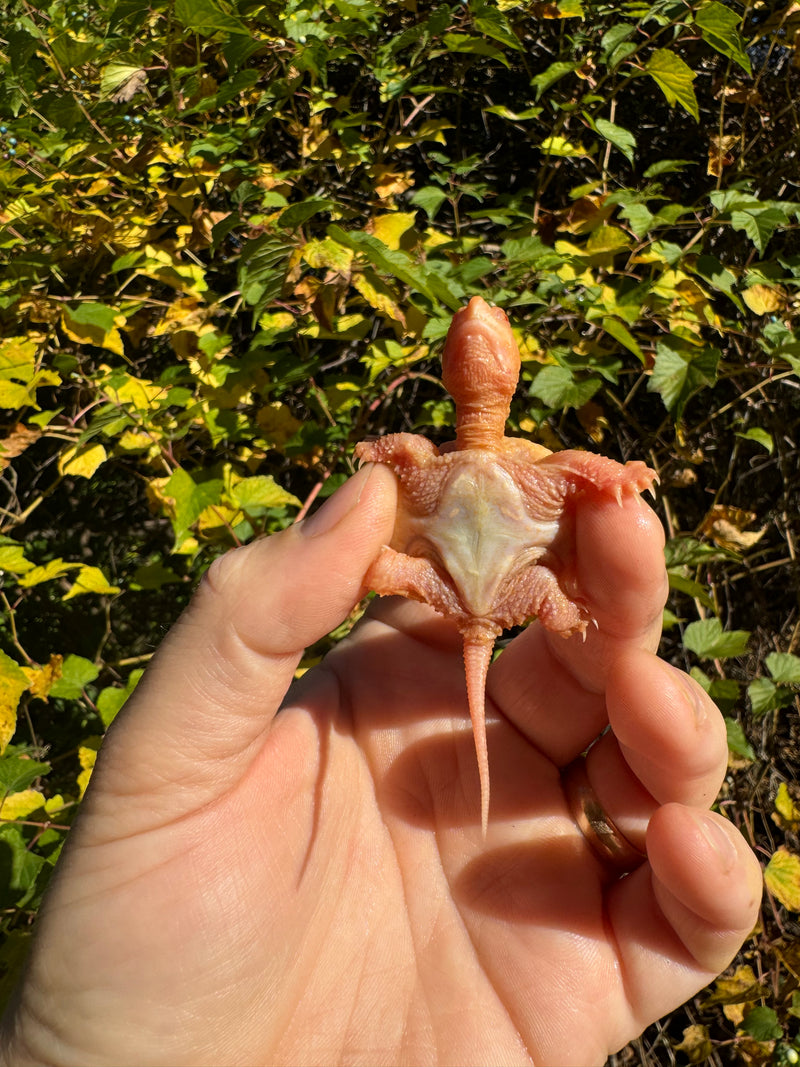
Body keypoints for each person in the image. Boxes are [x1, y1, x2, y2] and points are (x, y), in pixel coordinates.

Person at [0, 464, 761, 1067]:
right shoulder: (443, 464)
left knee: (594, 628)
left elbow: (574, 475)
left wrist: (607, 486)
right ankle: (535, 604)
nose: (477, 330)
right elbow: (493, 473)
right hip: (466, 581)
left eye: (489, 333)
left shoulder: (521, 467)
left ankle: (549, 607)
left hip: (486, 587)